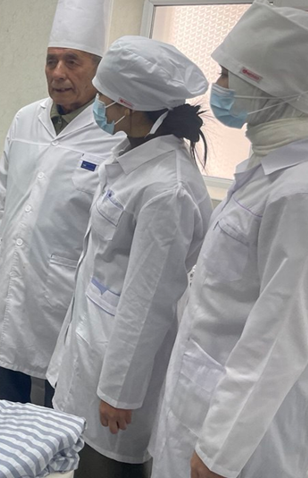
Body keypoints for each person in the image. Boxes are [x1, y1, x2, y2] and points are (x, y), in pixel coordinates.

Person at [149, 0, 308, 478]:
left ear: (268, 86)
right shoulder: (267, 167)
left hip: (244, 433)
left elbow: (282, 333)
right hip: (203, 387)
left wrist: (220, 451)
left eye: (228, 75)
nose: (219, 86)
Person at [47, 36, 214, 477]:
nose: (98, 104)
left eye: (104, 96)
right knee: (79, 455)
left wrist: (121, 390)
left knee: (107, 464)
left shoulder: (167, 189)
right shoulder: (131, 154)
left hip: (119, 365)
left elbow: (149, 299)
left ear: (129, 105)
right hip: (94, 340)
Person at [0, 0, 123, 407]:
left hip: (66, 282)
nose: (58, 73)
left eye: (72, 61)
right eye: (51, 60)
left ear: (98, 70)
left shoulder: (114, 134)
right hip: (12, 268)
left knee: (55, 395)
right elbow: (6, 192)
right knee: (3, 381)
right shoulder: (26, 119)